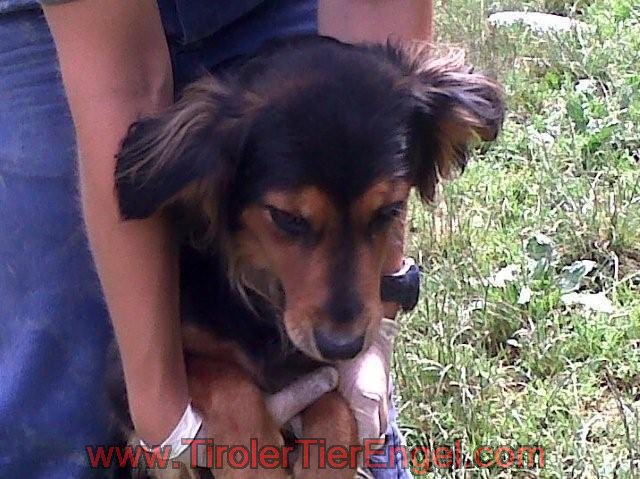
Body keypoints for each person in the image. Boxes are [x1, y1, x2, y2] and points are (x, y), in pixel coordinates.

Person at [0, 1, 433, 477]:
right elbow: (123, 83)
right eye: (292, 221)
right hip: (67, 27)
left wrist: (380, 321)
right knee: (57, 407)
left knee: (349, 427)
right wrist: (166, 417)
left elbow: (377, 16)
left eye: (386, 211)